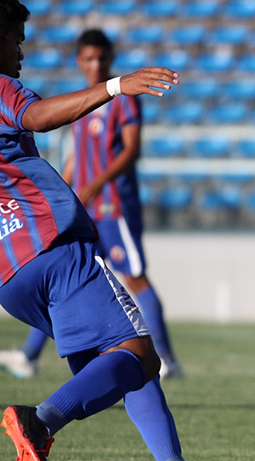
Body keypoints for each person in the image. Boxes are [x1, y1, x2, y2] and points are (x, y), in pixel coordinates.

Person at [0, 0, 202, 461]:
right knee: (139, 351)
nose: (21, 49)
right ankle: (40, 420)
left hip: (9, 274)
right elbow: (38, 115)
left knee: (120, 356)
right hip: (55, 247)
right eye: (15, 37)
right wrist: (114, 86)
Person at [0, 28, 183, 380]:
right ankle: (30, 355)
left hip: (113, 207)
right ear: (79, 61)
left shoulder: (124, 97)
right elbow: (76, 158)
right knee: (64, 279)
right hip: (82, 210)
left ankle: (166, 358)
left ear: (110, 60)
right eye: (88, 58)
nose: (95, 65)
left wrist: (95, 184)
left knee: (135, 278)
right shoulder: (84, 100)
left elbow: (131, 150)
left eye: (101, 58)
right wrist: (65, 188)